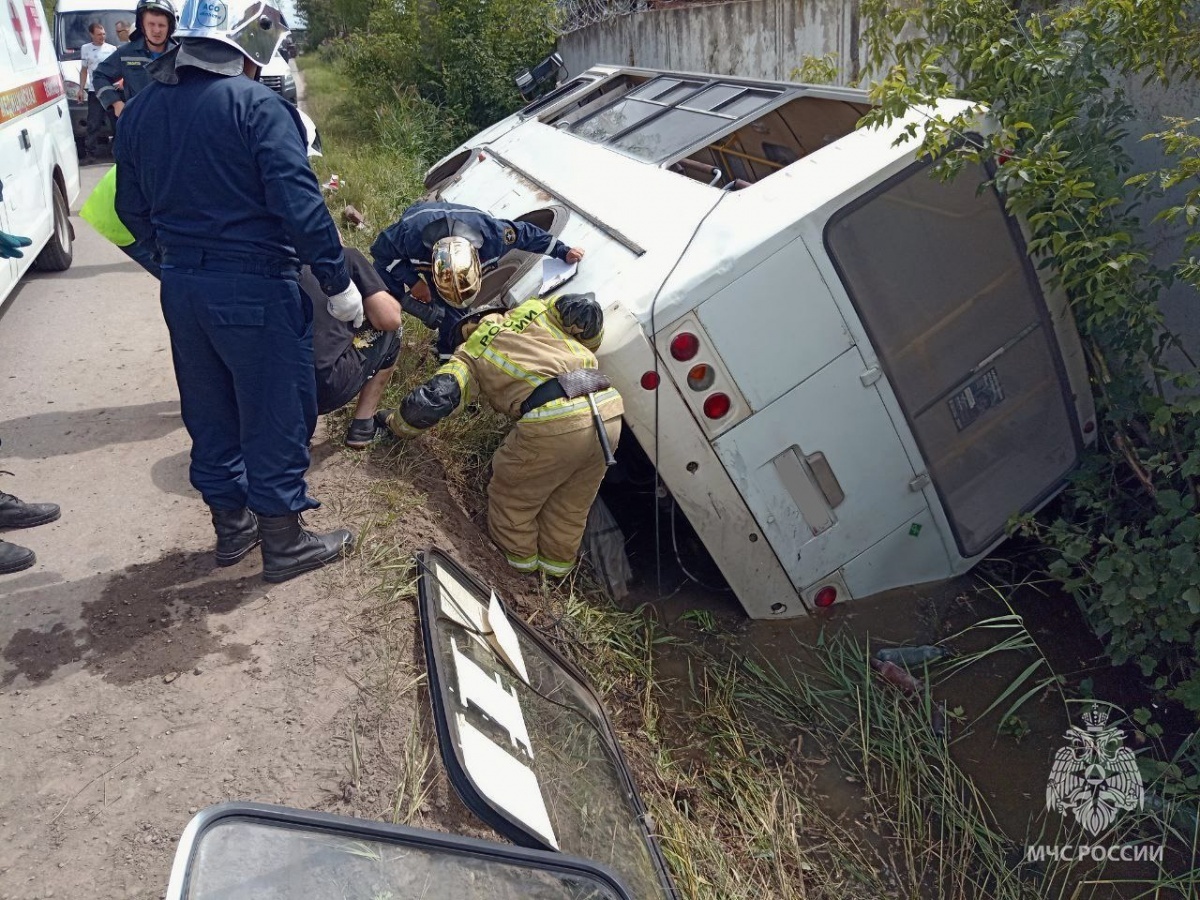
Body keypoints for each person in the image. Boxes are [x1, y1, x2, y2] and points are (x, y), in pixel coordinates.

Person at [113, 0, 362, 583]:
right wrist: (337, 280)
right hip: (253, 285)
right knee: (273, 409)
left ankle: (232, 527)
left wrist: (174, 259)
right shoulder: (258, 106)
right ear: (244, 47)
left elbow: (129, 210)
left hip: (182, 286)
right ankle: (284, 541)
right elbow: (300, 206)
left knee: (209, 407)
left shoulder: (141, 109)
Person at [381, 293, 622, 577]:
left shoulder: (471, 352)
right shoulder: (537, 309)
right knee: (571, 506)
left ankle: (520, 573)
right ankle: (556, 574)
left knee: (514, 500)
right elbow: (587, 314)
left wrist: (395, 425)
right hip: (607, 410)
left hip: (554, 421)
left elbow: (433, 400)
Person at [370, 201, 586, 361]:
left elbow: (527, 234)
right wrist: (413, 282)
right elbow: (379, 254)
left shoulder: (495, 236)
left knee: (455, 315)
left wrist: (563, 251)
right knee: (379, 276)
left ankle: (446, 358)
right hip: (421, 229)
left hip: (468, 236)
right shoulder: (406, 234)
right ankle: (389, 321)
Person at [306, 247, 404, 448]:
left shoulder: (275, 266)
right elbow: (391, 318)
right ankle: (362, 428)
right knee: (391, 331)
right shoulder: (344, 256)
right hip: (324, 388)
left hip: (273, 388)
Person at [93, 0, 179, 119]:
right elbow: (99, 75)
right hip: (137, 124)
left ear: (170, 27)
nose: (157, 30)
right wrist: (116, 103)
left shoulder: (180, 55)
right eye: (151, 24)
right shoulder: (126, 53)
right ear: (142, 26)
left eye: (161, 25)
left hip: (173, 124)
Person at [79, 23, 118, 162]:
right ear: (92, 35)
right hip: (94, 91)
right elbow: (84, 70)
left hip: (110, 90)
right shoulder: (85, 49)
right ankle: (91, 152)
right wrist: (80, 88)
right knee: (93, 122)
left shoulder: (112, 49)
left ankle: (117, 151)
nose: (102, 37)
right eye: (99, 34)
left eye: (103, 34)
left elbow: (118, 69)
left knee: (115, 121)